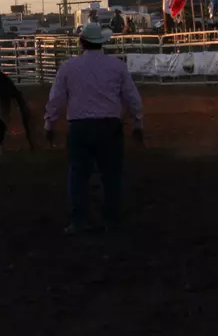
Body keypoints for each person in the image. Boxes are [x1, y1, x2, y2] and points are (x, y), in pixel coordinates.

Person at [44, 23, 144, 234]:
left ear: (82, 42)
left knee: (78, 174)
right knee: (111, 175)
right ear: (102, 42)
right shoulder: (116, 66)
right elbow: (132, 98)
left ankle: (78, 221)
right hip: (109, 126)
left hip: (79, 126)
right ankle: (111, 221)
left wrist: (49, 123)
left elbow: (57, 99)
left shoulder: (68, 67)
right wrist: (137, 122)